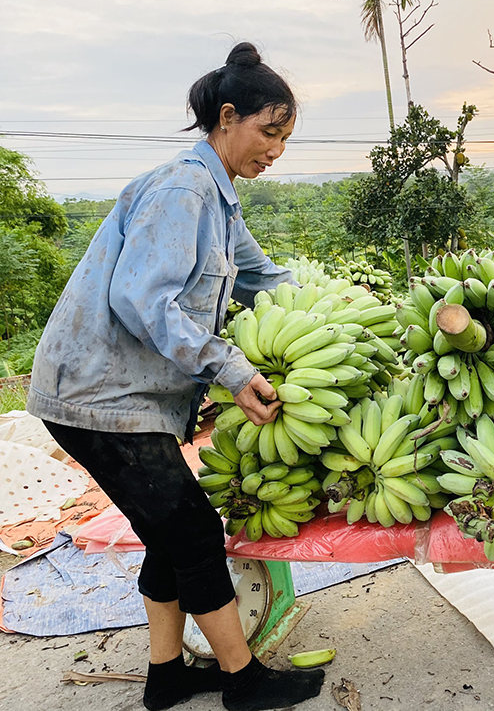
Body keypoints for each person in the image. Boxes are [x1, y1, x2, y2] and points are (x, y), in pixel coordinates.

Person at [27, 42, 325, 711]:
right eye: (268, 132)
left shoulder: (220, 205)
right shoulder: (183, 187)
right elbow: (140, 298)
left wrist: (340, 315)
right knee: (190, 528)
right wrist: (227, 364)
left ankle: (166, 676)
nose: (276, 150)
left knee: (167, 530)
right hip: (96, 395)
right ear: (228, 117)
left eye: (285, 137)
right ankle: (242, 681)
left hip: (129, 398)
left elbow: (266, 278)